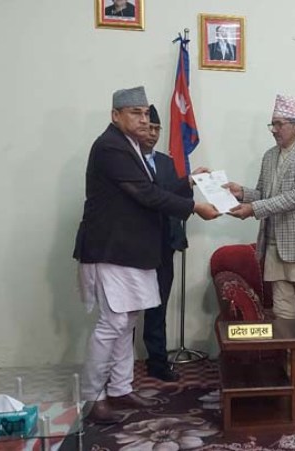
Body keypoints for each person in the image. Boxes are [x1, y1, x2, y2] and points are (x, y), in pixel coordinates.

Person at [74, 87, 219, 424]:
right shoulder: (110, 147)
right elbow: (145, 195)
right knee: (112, 324)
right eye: (135, 113)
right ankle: (93, 397)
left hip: (131, 251)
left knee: (127, 323)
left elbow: (154, 191)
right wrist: (193, 208)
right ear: (115, 115)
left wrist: (188, 182)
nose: (143, 119)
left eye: (145, 113)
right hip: (111, 249)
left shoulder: (131, 147)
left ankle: (120, 388)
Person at [224, 94, 295, 391]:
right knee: (283, 315)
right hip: (274, 246)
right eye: (272, 124)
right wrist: (242, 193)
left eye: (279, 124)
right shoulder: (270, 156)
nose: (273, 129)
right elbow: (264, 194)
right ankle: (290, 372)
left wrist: (253, 209)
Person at [134, 104, 191, 382]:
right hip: (134, 246)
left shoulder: (168, 163)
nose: (153, 133)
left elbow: (174, 197)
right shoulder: (129, 161)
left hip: (164, 244)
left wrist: (190, 182)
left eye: (157, 129)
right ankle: (121, 364)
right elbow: (149, 197)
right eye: (148, 128)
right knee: (127, 309)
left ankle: (157, 362)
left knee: (159, 305)